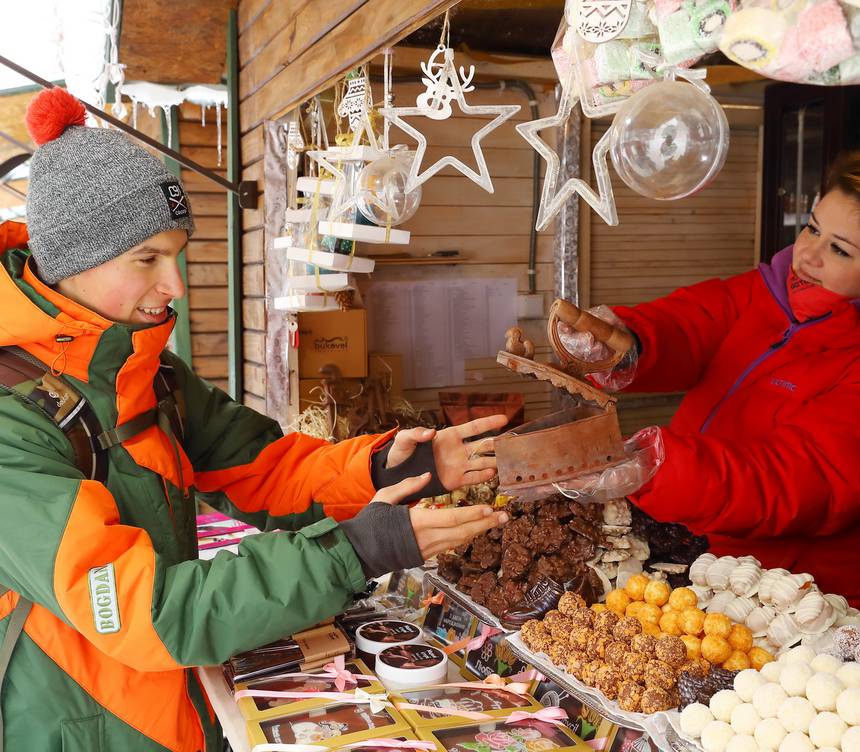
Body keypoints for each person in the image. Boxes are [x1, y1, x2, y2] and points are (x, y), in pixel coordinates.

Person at [0, 87, 509, 751]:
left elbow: (265, 468)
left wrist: (388, 464)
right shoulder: (14, 424)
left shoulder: (144, 373)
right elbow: (149, 610)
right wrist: (357, 549)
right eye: (147, 259)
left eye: (177, 254)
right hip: (87, 728)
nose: (174, 285)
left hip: (187, 706)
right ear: (72, 262)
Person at [559, 152, 860, 607]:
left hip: (790, 595)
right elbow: (692, 324)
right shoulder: (770, 291)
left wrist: (662, 467)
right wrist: (623, 342)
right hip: (696, 549)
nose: (809, 254)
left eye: (839, 249)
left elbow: (802, 482)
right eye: (812, 228)